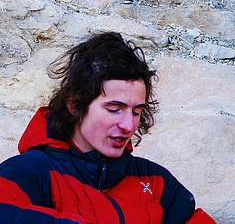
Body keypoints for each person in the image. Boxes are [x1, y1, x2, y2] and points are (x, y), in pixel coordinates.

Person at [0, 31, 215, 223]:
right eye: (114, 109)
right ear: (74, 104)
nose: (128, 125)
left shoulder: (156, 182)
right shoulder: (28, 173)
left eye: (136, 111)